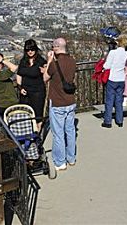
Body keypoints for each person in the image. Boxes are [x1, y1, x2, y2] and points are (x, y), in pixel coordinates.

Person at [43, 37, 77, 171]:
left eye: (53, 47)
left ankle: (60, 161)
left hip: (57, 102)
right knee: (70, 130)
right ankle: (71, 157)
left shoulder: (54, 64)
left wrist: (49, 60)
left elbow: (45, 78)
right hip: (70, 101)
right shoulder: (73, 61)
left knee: (58, 134)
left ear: (56, 47)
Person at [102, 34, 127, 128]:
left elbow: (107, 66)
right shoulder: (126, 53)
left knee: (109, 101)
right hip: (121, 79)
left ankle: (108, 121)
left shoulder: (113, 53)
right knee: (119, 101)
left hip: (112, 78)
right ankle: (120, 120)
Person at [17, 39, 47, 123]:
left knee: (38, 116)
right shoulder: (23, 61)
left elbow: (46, 76)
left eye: (32, 49)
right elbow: (19, 74)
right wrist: (20, 87)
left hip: (37, 92)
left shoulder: (41, 61)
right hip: (25, 93)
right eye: (27, 50)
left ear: (36, 49)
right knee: (25, 115)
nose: (30, 51)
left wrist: (46, 70)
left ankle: (37, 132)